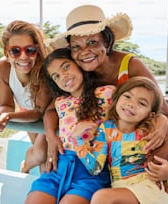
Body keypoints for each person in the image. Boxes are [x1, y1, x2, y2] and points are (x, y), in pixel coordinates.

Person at [45, 4, 168, 172]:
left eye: (92, 42)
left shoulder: (131, 66)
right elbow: (51, 109)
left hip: (139, 156)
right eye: (76, 47)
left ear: (106, 42)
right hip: (103, 161)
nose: (84, 52)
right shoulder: (80, 74)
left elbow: (165, 113)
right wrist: (50, 136)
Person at [25, 48, 115, 204]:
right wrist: (51, 135)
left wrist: (161, 119)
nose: (63, 76)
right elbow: (50, 111)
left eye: (66, 66)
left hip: (91, 169)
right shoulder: (60, 102)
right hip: (58, 167)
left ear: (79, 64)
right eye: (56, 76)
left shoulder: (107, 93)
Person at [71, 76, 168, 204]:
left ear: (150, 114)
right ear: (117, 99)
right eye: (127, 96)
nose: (131, 104)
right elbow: (95, 168)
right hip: (120, 189)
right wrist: (78, 140)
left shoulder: (150, 131)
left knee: (101, 197)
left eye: (142, 103)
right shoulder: (106, 129)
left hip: (148, 187)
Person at [0, 20, 52, 173]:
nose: (23, 57)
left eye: (30, 50)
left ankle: (25, 169)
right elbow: (6, 104)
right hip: (26, 113)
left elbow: (39, 111)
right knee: (41, 155)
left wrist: (8, 116)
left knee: (43, 154)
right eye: (15, 51)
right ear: (6, 52)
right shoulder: (3, 67)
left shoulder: (44, 69)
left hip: (49, 114)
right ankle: (33, 177)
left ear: (38, 50)